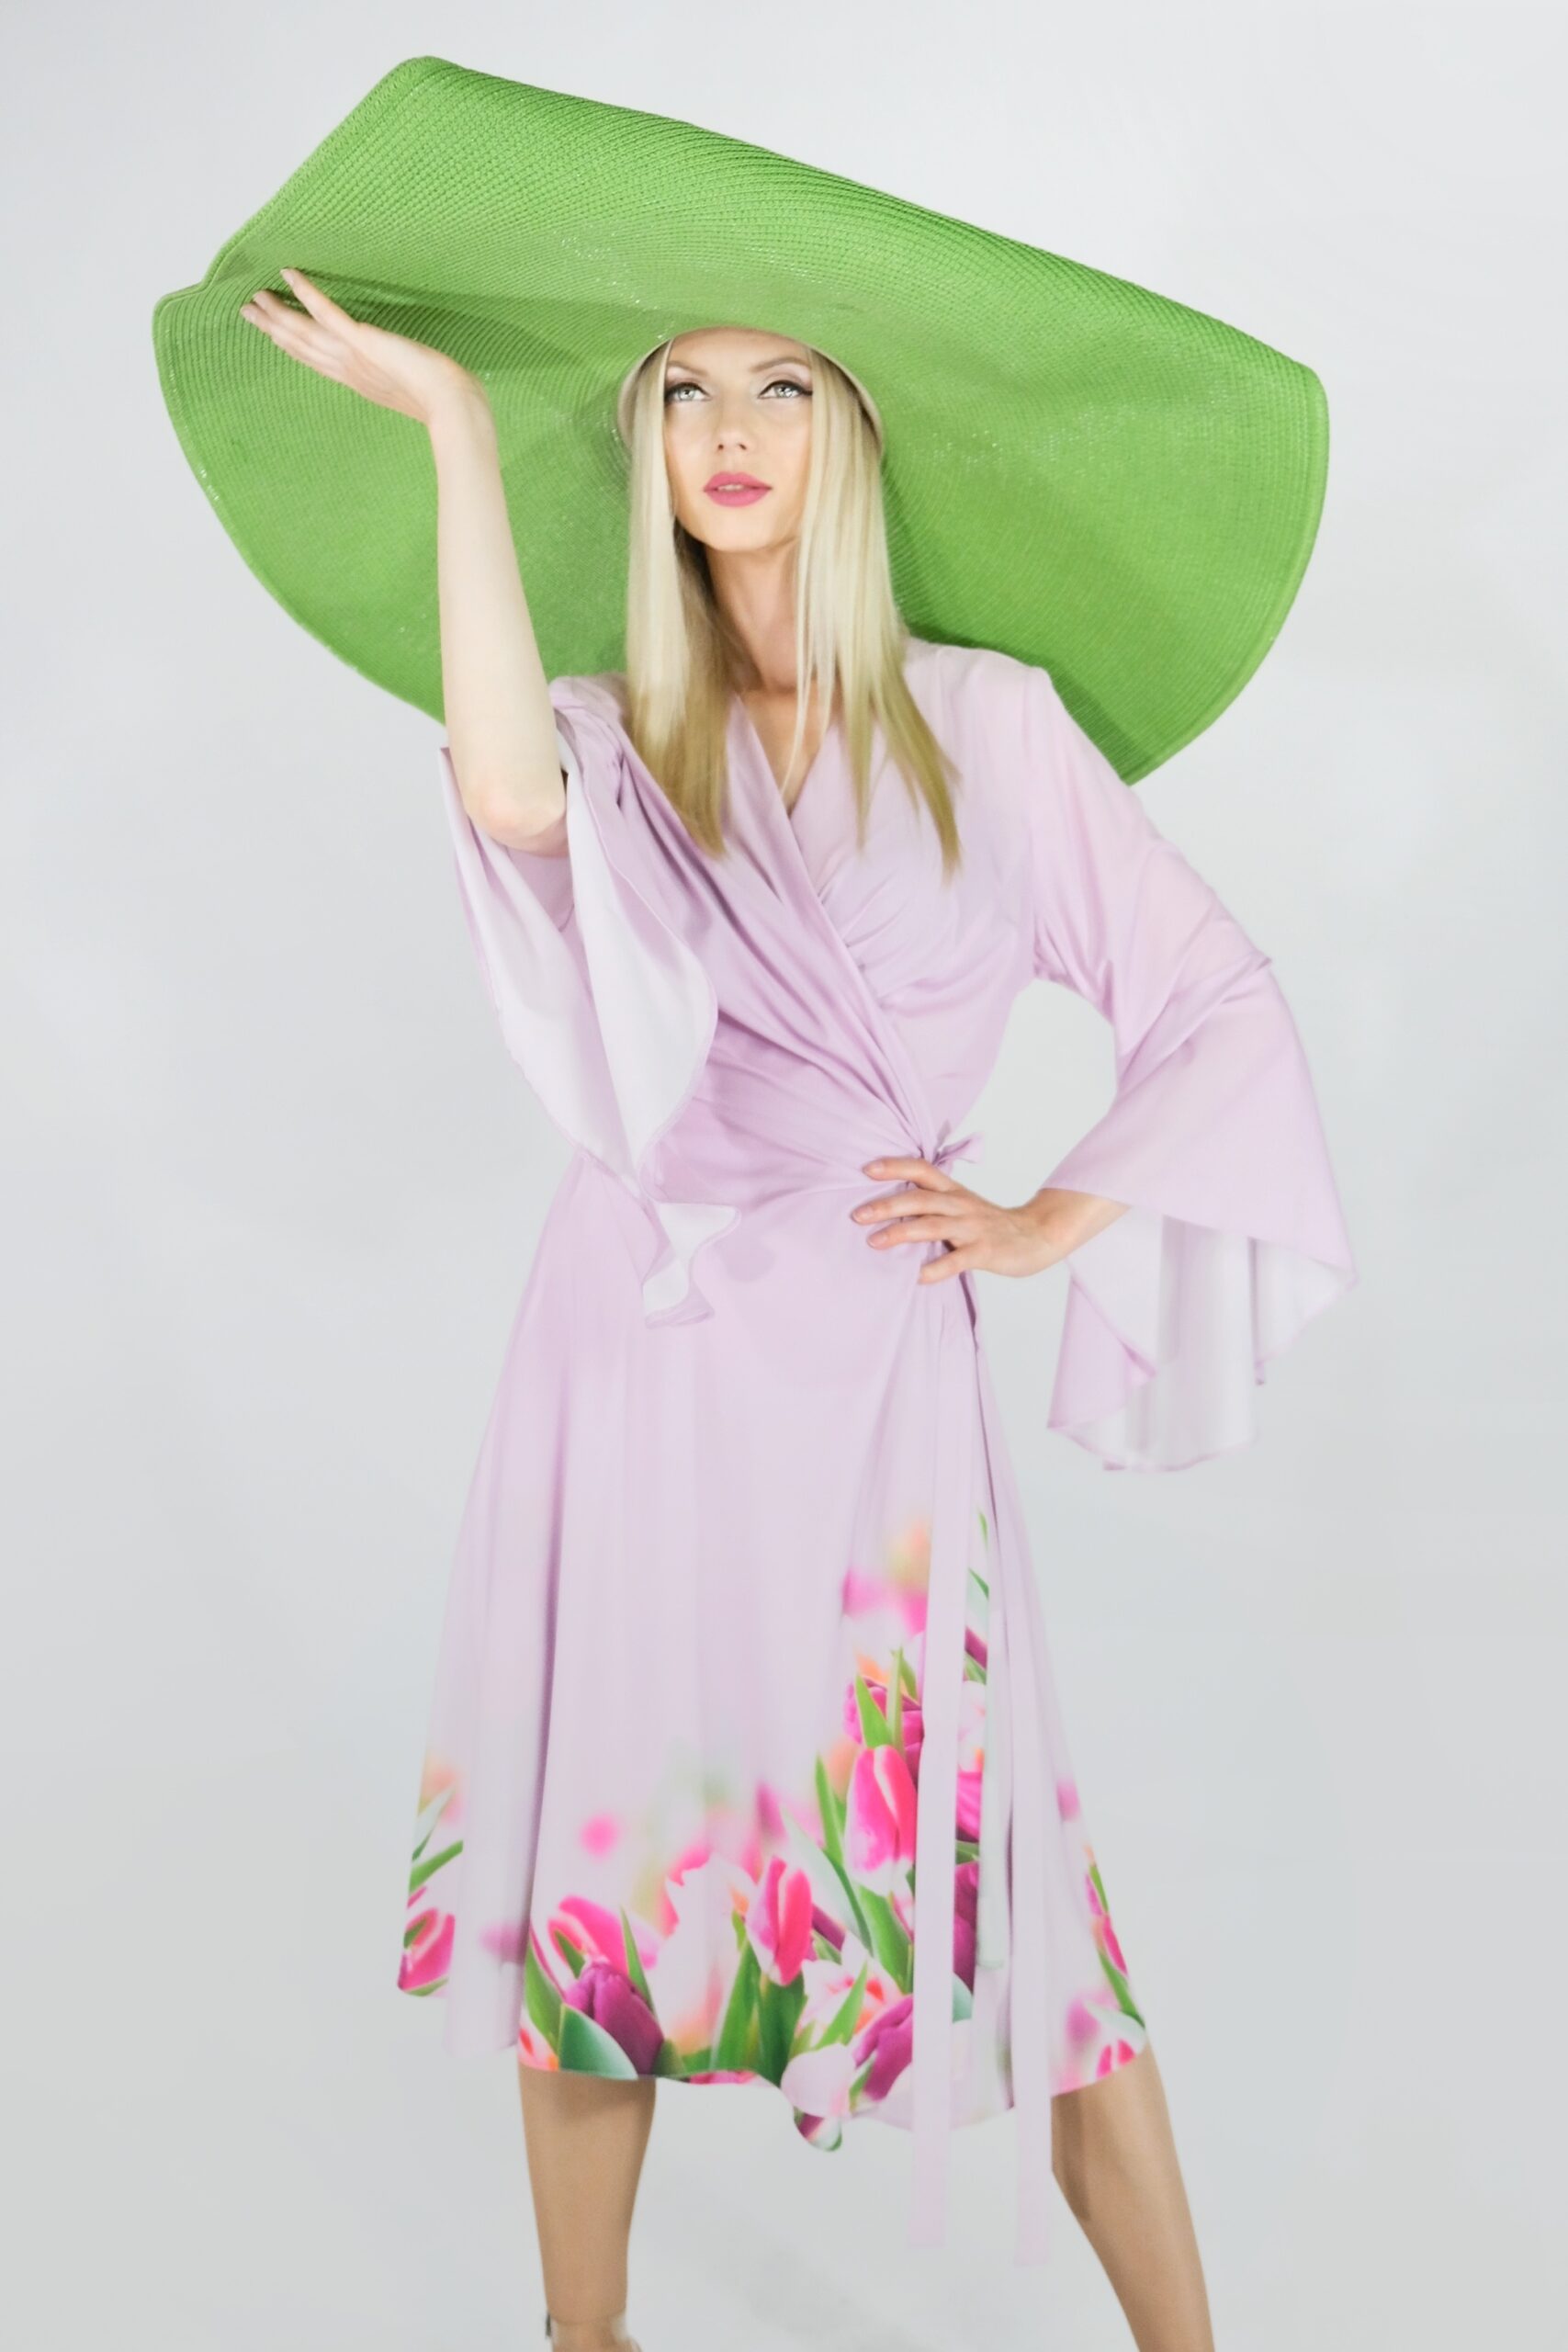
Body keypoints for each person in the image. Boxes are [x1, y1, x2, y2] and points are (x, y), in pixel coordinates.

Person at [241, 270, 1356, 2352]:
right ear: (641, 450)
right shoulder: (608, 735)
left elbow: (1213, 998)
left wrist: (1045, 1219)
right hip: (642, 1350)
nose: (731, 431)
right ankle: (587, 2338)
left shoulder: (990, 727)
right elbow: (508, 805)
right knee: (606, 1869)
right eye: (681, 394)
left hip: (872, 1379)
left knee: (1011, 1889)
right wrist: (458, 431)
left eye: (779, 388)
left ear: (852, 434)